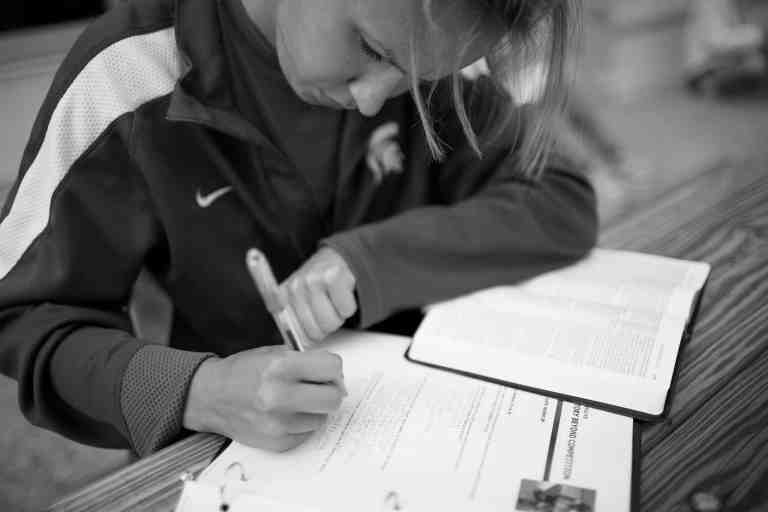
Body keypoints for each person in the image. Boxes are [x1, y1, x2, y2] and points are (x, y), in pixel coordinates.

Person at [0, 0, 596, 457]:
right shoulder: (125, 74)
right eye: (371, 50)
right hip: (219, 453)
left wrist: (370, 261)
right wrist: (197, 391)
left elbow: (560, 200)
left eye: (417, 81)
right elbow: (23, 315)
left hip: (415, 429)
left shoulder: (431, 45)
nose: (374, 101)